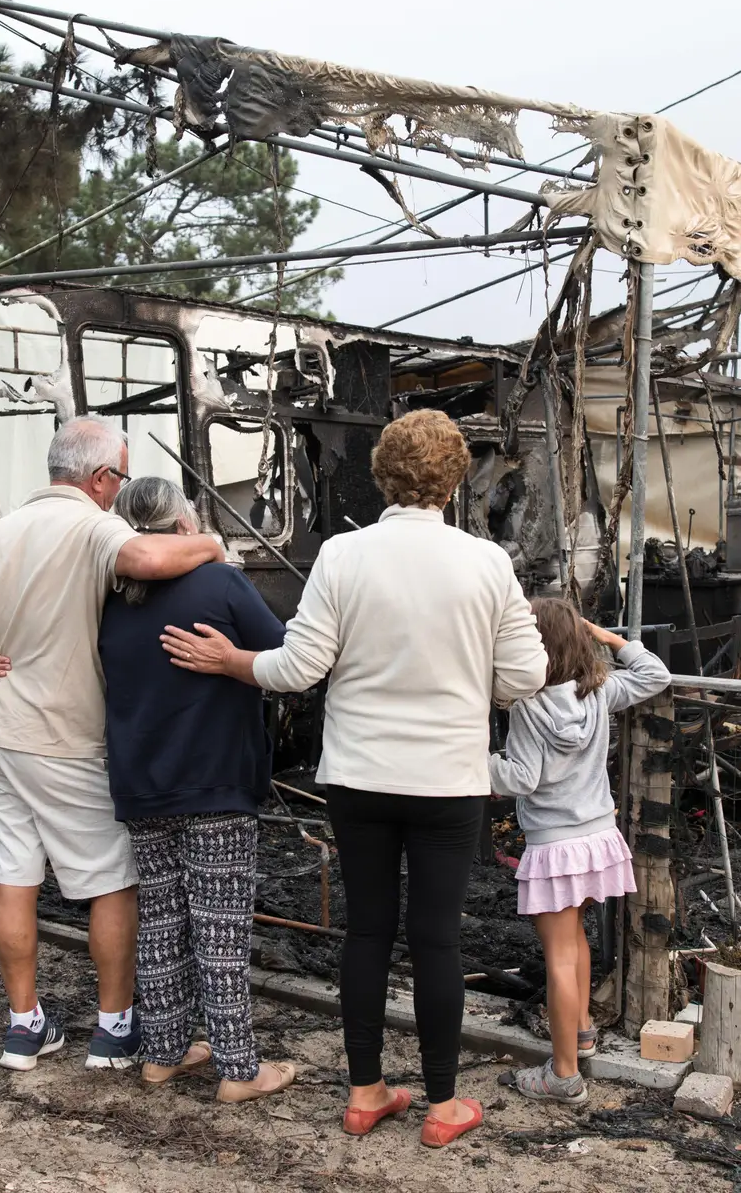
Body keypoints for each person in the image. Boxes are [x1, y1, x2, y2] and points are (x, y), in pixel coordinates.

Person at [162, 409, 547, 1148]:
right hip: (447, 779)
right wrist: (478, 683)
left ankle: (366, 1092)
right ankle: (441, 1105)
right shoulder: (487, 563)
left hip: (359, 777)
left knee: (367, 930)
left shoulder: (343, 555)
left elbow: (297, 669)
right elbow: (526, 675)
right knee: (437, 939)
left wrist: (231, 661)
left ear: (382, 475)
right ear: (456, 475)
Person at [0, 416, 227, 1074]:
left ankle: (22, 1026)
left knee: (13, 876)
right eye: (118, 477)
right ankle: (114, 1030)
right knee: (111, 881)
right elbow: (151, 559)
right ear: (102, 479)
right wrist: (209, 545)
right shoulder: (92, 526)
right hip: (63, 739)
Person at [97, 476, 296, 1101]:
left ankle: (163, 1051)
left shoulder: (107, 596)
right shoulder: (221, 583)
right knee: (220, 926)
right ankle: (238, 1068)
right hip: (214, 776)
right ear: (186, 523)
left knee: (161, 917)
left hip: (140, 777)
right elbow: (286, 657)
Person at [488, 598, 670, 1105]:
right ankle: (584, 1029)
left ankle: (563, 1074)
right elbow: (655, 674)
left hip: (555, 846)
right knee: (577, 941)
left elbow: (523, 777)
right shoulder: (599, 691)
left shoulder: (526, 704)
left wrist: (476, 766)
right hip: (598, 838)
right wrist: (610, 639)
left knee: (559, 957)